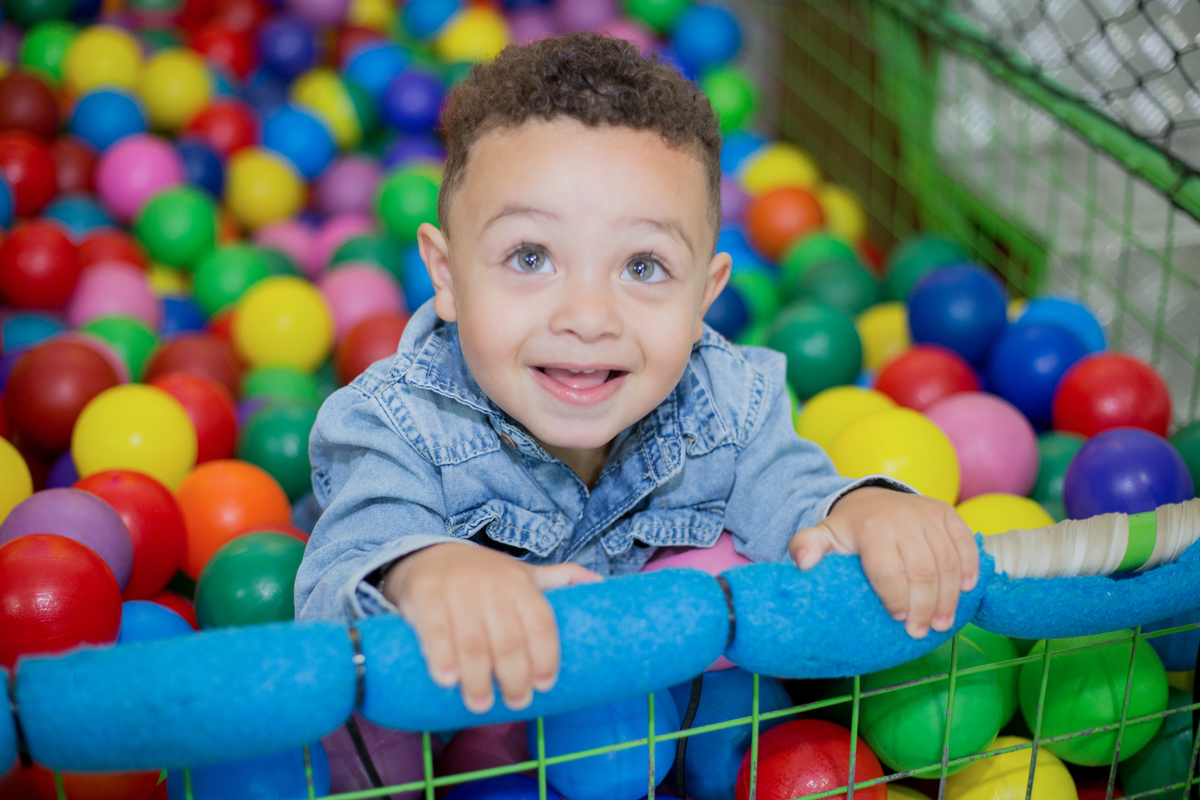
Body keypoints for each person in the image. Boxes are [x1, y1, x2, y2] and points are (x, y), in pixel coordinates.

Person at [296, 32, 978, 718]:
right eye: (531, 257)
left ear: (704, 298)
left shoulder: (725, 401)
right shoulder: (394, 420)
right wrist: (425, 571)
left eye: (643, 267)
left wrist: (859, 508)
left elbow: (790, 489)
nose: (588, 317)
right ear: (446, 276)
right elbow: (349, 564)